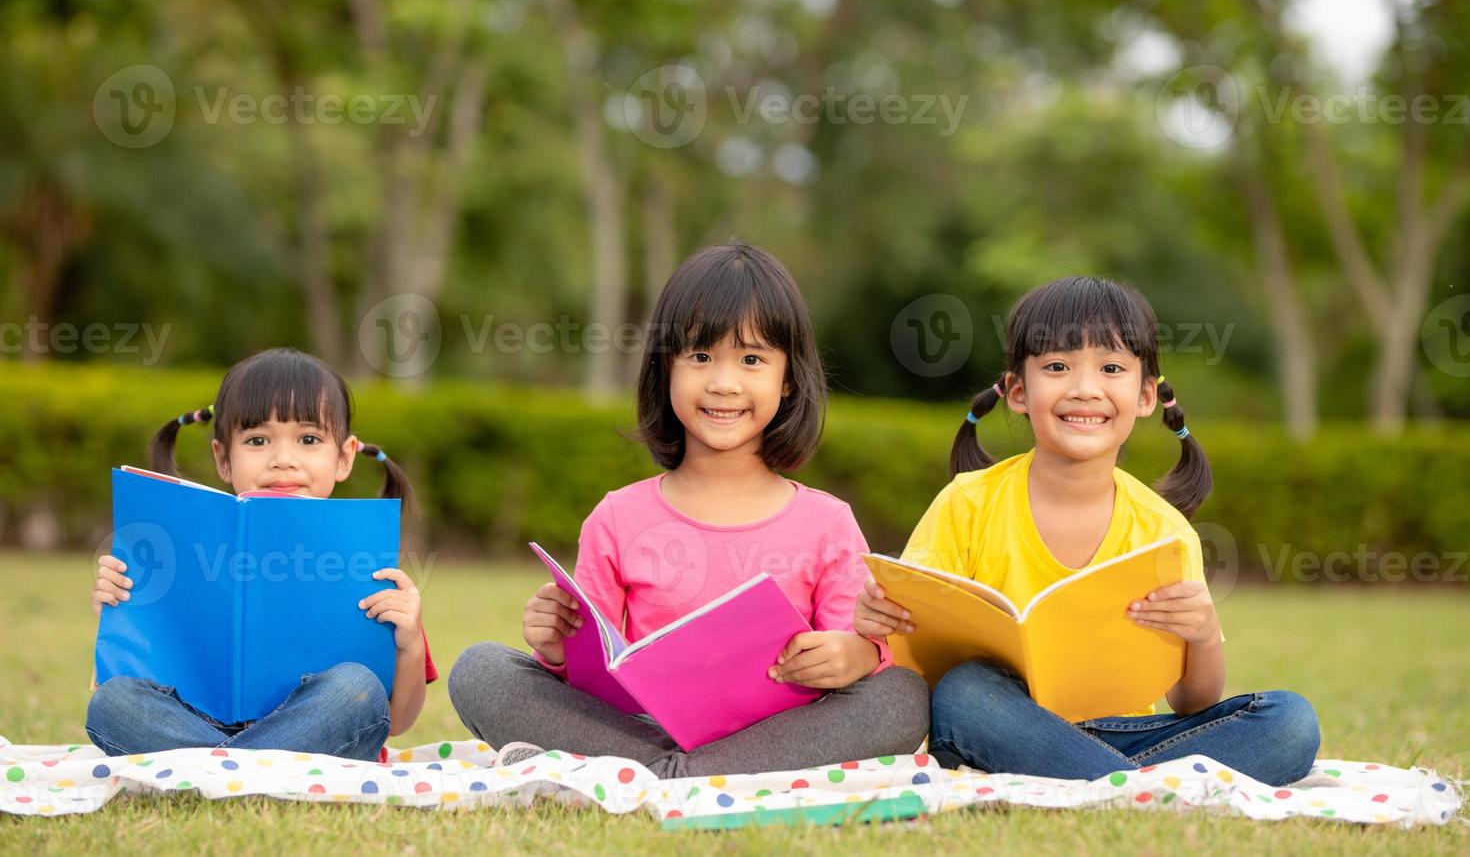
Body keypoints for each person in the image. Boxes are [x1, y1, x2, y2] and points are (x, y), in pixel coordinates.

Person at [450, 242, 930, 776]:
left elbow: (855, 647)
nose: (724, 383)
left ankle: (660, 774)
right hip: (642, 727)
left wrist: (854, 656)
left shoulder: (828, 522)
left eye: (751, 359)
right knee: (480, 670)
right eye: (700, 357)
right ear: (666, 370)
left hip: (780, 736)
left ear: (788, 378)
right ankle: (677, 770)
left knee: (901, 696)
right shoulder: (616, 518)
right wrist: (556, 650)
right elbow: (594, 679)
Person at [855, 276, 1320, 786]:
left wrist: (1205, 635)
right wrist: (881, 620)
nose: (1084, 389)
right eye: (1056, 367)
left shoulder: (1162, 531)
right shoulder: (967, 503)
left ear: (1145, 396)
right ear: (1017, 391)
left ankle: (1105, 782)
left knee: (1290, 723)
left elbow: (1192, 703)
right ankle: (1140, 788)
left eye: (1112, 368)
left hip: (1126, 734)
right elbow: (922, 664)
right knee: (965, 690)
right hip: (996, 724)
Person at [86, 347, 436, 761]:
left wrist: (410, 641)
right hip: (195, 723)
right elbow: (112, 687)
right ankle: (255, 767)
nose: (282, 460)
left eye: (309, 439)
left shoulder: (364, 563)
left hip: (317, 721)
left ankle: (213, 769)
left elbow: (395, 720)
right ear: (223, 458)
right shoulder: (174, 552)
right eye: (257, 440)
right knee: (113, 704)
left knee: (355, 689)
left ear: (343, 457)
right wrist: (119, 611)